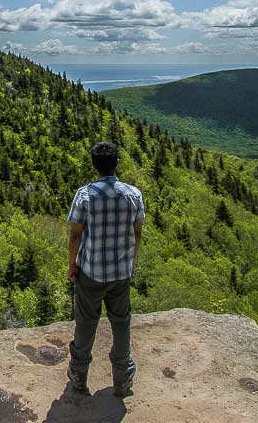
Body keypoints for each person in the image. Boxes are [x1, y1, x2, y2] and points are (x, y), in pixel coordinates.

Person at [65, 141, 145, 397]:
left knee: (86, 323)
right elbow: (137, 233)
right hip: (121, 272)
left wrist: (72, 265)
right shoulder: (133, 194)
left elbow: (75, 235)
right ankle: (122, 379)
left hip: (91, 272)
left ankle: (79, 376)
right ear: (116, 164)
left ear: (94, 165)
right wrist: (131, 264)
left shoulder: (85, 195)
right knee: (121, 323)